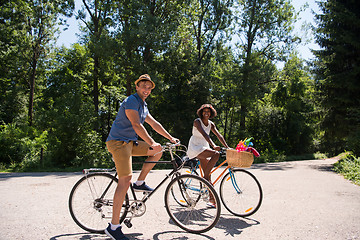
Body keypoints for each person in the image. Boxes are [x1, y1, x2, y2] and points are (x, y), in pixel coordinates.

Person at [105, 74, 178, 240]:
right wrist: (152, 141)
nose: (147, 90)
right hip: (118, 142)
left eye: (149, 88)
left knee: (158, 151)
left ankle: (140, 183)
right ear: (137, 87)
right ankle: (113, 226)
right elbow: (136, 125)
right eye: (144, 86)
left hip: (130, 143)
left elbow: (154, 124)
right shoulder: (131, 100)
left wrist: (170, 138)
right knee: (125, 180)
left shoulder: (143, 105)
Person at [187, 104, 230, 206]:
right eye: (204, 111)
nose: (206, 113)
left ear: (211, 113)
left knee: (208, 175)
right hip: (195, 147)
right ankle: (204, 180)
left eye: (208, 111)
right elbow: (204, 134)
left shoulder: (211, 124)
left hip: (204, 146)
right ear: (201, 112)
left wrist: (227, 147)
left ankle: (211, 200)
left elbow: (219, 135)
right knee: (216, 154)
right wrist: (214, 145)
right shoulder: (197, 121)